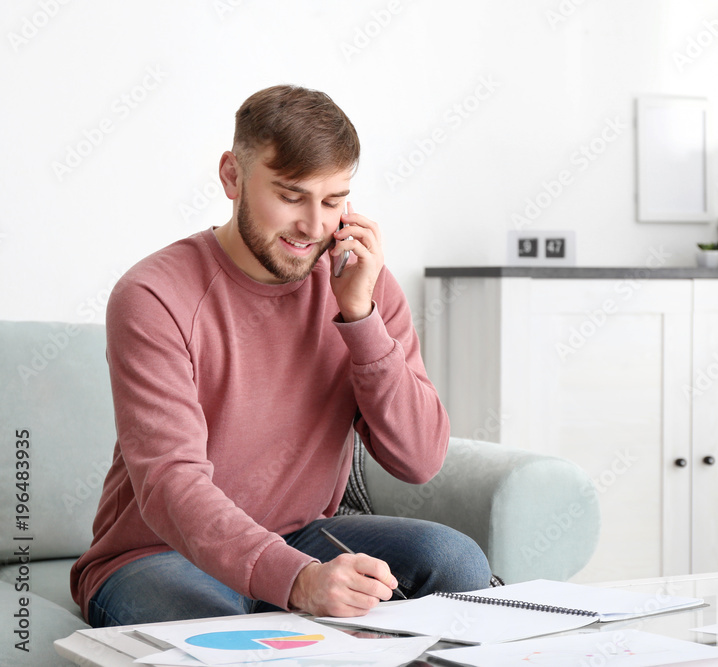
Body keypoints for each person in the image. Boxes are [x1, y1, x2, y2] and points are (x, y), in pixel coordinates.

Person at [70, 84, 492, 628]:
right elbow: (171, 482)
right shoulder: (153, 295)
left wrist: (361, 319)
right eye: (292, 196)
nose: (314, 227)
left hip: (298, 535)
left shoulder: (361, 282)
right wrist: (298, 581)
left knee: (455, 562)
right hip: (158, 552)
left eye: (333, 201)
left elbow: (419, 459)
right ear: (232, 176)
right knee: (213, 622)